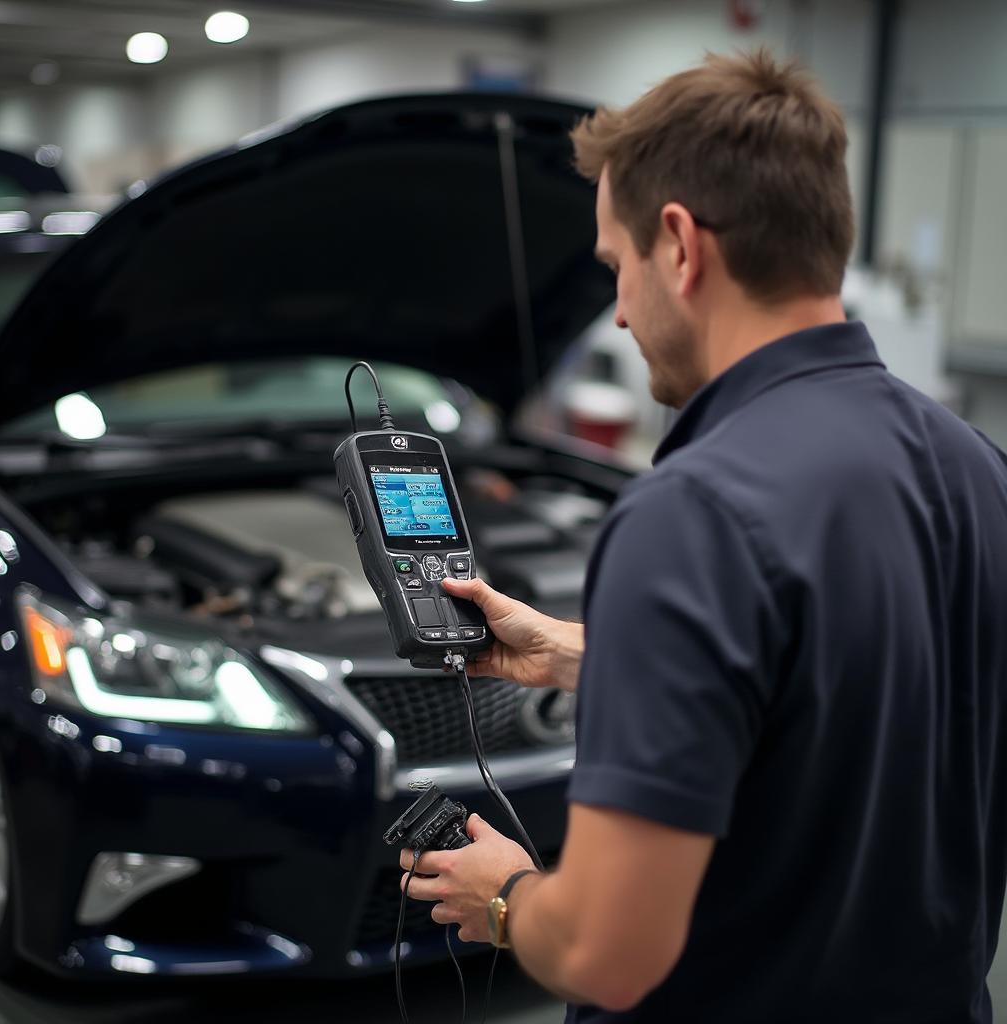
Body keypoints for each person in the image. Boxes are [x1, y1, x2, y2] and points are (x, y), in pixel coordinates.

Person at [399, 48, 1007, 1023]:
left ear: (678, 246)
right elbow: (854, 685)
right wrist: (579, 655)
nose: (620, 310)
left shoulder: (692, 511)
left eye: (615, 267)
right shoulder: (973, 466)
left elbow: (608, 952)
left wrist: (506, 897)